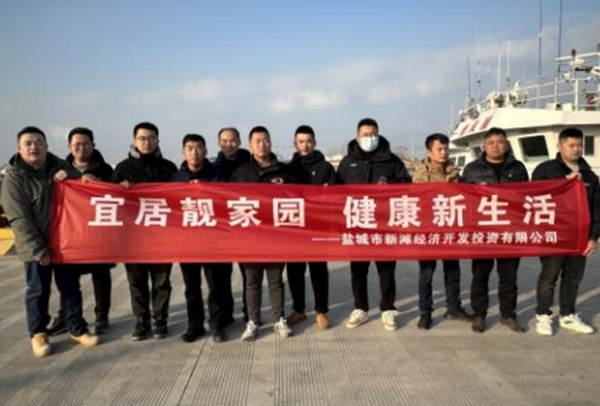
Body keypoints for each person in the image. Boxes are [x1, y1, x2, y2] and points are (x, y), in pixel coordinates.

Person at [1, 126, 99, 356]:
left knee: (70, 287)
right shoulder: (14, 177)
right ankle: (38, 333)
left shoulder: (61, 167)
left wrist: (83, 179)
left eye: (38, 142)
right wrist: (38, 250)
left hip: (65, 242)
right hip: (36, 245)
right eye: (28, 143)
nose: (33, 147)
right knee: (38, 289)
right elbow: (19, 218)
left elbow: (80, 190)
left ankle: (76, 328)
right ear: (19, 148)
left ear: (46, 146)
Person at [336, 118, 411, 331]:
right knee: (358, 271)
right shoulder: (347, 162)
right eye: (365, 135)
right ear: (357, 137)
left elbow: (407, 185)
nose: (370, 138)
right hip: (357, 225)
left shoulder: (391, 160)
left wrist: (391, 184)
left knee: (386, 270)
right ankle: (360, 308)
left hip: (383, 225)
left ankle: (388, 308)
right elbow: (336, 192)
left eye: (373, 134)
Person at [112, 122, 177, 340]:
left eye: (151, 138)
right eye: (142, 138)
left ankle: (160, 319)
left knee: (161, 282)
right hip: (133, 237)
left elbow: (179, 198)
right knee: (137, 282)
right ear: (134, 141)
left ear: (158, 140)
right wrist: (119, 190)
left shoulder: (168, 168)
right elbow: (108, 200)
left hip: (161, 236)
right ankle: (142, 321)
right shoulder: (122, 169)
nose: (146, 142)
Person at [47, 127, 115, 336]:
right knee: (66, 279)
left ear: (93, 145)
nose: (81, 147)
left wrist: (100, 184)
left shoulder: (105, 170)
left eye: (86, 143)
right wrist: (53, 182)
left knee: (101, 277)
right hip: (70, 234)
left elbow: (117, 195)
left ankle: (102, 316)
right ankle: (67, 316)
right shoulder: (59, 170)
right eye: (77, 144)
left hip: (98, 233)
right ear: (69, 146)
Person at [532, 127, 599, 336]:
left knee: (572, 279)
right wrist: (564, 183)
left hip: (579, 236)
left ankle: (568, 315)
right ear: (559, 146)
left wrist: (593, 237)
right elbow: (533, 197)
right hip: (554, 235)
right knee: (548, 278)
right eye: (571, 145)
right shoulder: (545, 170)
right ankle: (543, 315)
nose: (576, 149)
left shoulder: (590, 176)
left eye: (579, 145)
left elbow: (596, 208)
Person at [462, 127, 529, 333]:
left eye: (499, 142)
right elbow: (463, 199)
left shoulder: (518, 168)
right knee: (480, 277)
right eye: (490, 143)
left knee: (509, 278)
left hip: (509, 232)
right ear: (484, 146)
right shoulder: (472, 169)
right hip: (482, 232)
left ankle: (508, 315)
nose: (495, 146)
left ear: (506, 144)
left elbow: (527, 196)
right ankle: (479, 315)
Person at [231, 126, 293, 341]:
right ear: (250, 145)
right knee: (252, 282)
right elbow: (227, 202)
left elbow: (296, 199)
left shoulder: (283, 172)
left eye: (266, 140)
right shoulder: (240, 173)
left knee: (276, 281)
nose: (262, 144)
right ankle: (253, 321)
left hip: (276, 238)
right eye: (257, 141)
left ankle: (279, 319)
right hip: (250, 239)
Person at [171, 133, 232, 343]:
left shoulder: (218, 175)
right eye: (190, 148)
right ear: (183, 152)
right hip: (187, 241)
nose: (194, 153)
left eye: (198, 148)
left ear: (205, 151)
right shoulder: (176, 178)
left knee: (216, 286)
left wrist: (205, 189)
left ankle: (216, 325)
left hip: (212, 241)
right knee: (192, 287)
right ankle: (194, 326)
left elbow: (226, 202)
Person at [412, 133, 472, 329]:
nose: (444, 152)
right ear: (429, 151)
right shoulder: (421, 173)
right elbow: (419, 199)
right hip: (428, 231)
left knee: (453, 271)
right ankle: (425, 312)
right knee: (426, 274)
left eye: (446, 148)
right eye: (439, 149)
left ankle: (453, 307)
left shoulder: (454, 171)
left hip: (449, 229)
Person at [286, 125, 336, 330]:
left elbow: (335, 196)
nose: (305, 145)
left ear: (314, 143)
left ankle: (321, 311)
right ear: (295, 144)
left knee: (318, 271)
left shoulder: (325, 167)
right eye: (300, 142)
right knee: (295, 271)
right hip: (295, 229)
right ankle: (299, 310)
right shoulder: (289, 169)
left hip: (318, 228)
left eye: (308, 141)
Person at [214, 127, 250, 323]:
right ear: (219, 143)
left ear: (239, 141)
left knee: (249, 274)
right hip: (222, 230)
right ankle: (226, 314)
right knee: (222, 275)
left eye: (233, 140)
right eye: (225, 141)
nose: (229, 144)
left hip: (246, 226)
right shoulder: (214, 168)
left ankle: (249, 312)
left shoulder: (250, 164)